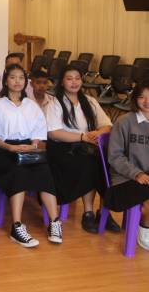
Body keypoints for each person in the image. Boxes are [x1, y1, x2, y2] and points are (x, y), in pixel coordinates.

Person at [0, 64, 62, 247]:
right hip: (3, 150)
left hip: (28, 148)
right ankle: (16, 226)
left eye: (21, 78)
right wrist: (10, 148)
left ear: (26, 81)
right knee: (19, 172)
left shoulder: (31, 105)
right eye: (13, 77)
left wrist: (33, 145)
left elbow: (38, 132)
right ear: (6, 81)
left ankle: (54, 222)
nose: (17, 81)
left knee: (45, 171)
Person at [46, 65, 118, 234]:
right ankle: (88, 212)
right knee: (90, 164)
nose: (74, 82)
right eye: (69, 78)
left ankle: (104, 211)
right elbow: (54, 133)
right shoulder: (55, 103)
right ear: (62, 82)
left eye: (77, 78)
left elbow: (107, 125)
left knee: (109, 164)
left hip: (87, 146)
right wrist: (82, 137)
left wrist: (97, 133)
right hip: (62, 150)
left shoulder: (90, 101)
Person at [105, 80, 149, 248]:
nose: (147, 102)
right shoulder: (124, 122)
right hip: (124, 180)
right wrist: (136, 173)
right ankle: (145, 229)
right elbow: (115, 157)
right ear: (135, 99)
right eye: (142, 97)